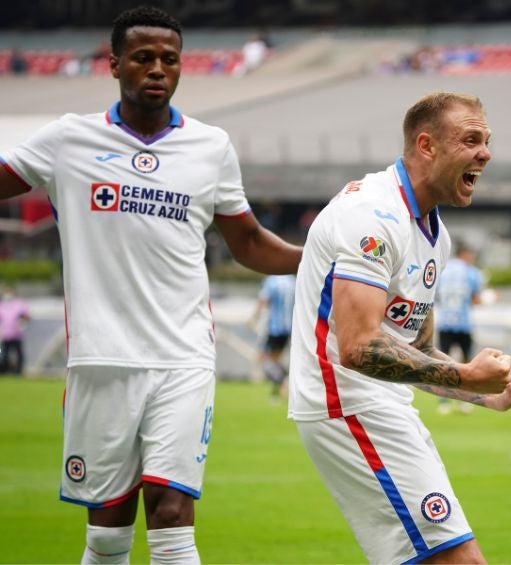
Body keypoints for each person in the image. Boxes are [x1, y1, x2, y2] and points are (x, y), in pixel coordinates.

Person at [0, 6, 302, 563]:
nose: (158, 69)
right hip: (100, 360)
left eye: (170, 59)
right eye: (143, 58)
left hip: (182, 357)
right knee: (108, 533)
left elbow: (251, 242)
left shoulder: (210, 146)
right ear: (115, 64)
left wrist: (324, 260)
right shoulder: (69, 139)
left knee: (171, 515)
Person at [287, 91, 511, 564]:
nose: (486, 153)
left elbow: (416, 350)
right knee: (457, 559)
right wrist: (466, 376)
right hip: (349, 407)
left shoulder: (434, 234)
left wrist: (485, 395)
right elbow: (359, 348)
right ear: (427, 146)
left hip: (381, 406)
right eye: (471, 140)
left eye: (487, 141)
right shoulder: (373, 215)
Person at [434, 241, 484, 414]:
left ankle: (443, 402)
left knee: (443, 363)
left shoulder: (444, 270)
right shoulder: (473, 273)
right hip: (463, 324)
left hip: (445, 322)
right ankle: (465, 401)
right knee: (466, 363)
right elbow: (476, 300)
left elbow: (436, 296)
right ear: (465, 254)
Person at [251, 274, 297, 400]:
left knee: (264, 359)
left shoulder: (271, 281)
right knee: (276, 360)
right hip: (289, 328)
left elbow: (263, 301)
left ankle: (284, 382)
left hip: (274, 328)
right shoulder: (292, 281)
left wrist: (254, 319)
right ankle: (277, 392)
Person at [0, 285, 31, 375]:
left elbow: (27, 317)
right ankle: (4, 371)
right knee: (4, 355)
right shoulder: (1, 305)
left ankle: (19, 372)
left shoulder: (19, 303)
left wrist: (23, 321)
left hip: (17, 335)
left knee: (19, 354)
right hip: (6, 335)